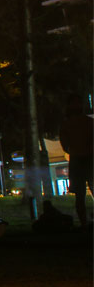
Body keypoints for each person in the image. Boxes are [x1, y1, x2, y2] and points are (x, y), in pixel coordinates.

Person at [59, 94, 94, 228]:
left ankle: (85, 223)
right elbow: (64, 141)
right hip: (78, 158)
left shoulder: (87, 122)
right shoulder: (68, 124)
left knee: (86, 189)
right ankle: (84, 223)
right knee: (80, 193)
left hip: (86, 157)